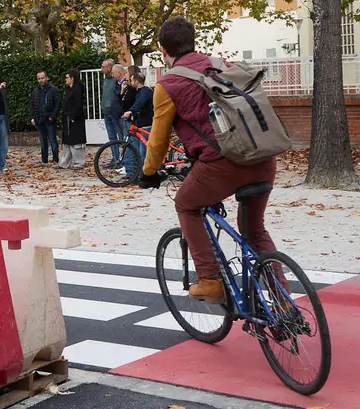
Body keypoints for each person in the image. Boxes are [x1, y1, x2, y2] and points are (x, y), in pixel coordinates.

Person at [138, 17, 280, 304]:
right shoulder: (221, 65)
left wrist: (149, 172)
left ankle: (210, 280)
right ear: (192, 42)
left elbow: (158, 140)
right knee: (254, 230)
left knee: (185, 204)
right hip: (263, 156)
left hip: (223, 164)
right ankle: (284, 304)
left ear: (163, 50)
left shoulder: (168, 85)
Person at [122, 72, 154, 180]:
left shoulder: (146, 91)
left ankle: (144, 176)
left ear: (136, 81)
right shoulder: (140, 92)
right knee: (141, 151)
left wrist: (130, 111)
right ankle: (140, 174)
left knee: (143, 152)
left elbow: (140, 103)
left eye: (131, 80)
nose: (130, 83)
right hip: (140, 124)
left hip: (146, 125)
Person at [57, 71, 86, 170]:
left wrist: (74, 116)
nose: (65, 79)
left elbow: (78, 104)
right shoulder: (69, 89)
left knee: (76, 141)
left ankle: (79, 163)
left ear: (72, 78)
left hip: (75, 119)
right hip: (67, 118)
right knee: (67, 141)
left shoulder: (77, 89)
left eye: (67, 77)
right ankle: (65, 163)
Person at [30, 71, 59, 165]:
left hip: (49, 120)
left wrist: (52, 116)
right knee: (43, 142)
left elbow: (57, 104)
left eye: (42, 78)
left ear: (47, 78)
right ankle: (44, 160)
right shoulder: (35, 91)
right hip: (39, 120)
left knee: (53, 140)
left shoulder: (53, 90)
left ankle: (55, 160)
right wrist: (32, 118)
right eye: (39, 78)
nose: (41, 80)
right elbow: (32, 105)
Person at [100, 59, 120, 168]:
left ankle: (121, 159)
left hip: (114, 112)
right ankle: (115, 157)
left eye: (103, 67)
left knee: (119, 136)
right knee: (112, 137)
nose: (102, 69)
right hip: (106, 112)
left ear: (109, 67)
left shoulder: (115, 80)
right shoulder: (106, 80)